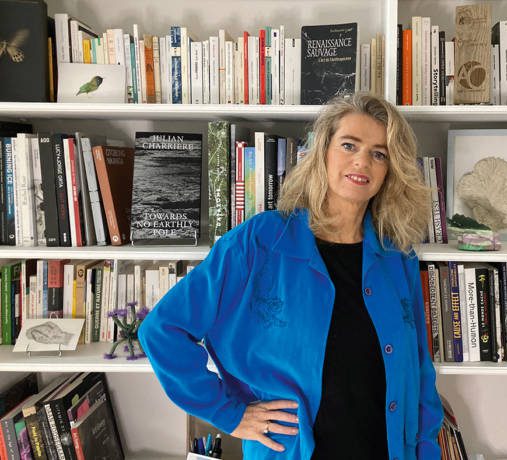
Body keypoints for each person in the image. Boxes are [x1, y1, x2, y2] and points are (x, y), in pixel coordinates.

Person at [138, 92, 443, 459]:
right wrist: (230, 415)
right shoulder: (261, 241)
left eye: (379, 153)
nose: (362, 161)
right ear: (323, 153)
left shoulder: (398, 256)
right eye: (349, 145)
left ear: (389, 169)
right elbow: (162, 330)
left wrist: (426, 450)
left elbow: (420, 372)